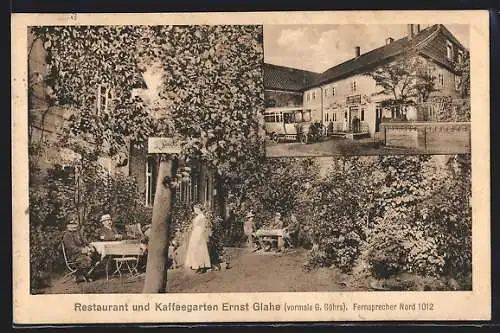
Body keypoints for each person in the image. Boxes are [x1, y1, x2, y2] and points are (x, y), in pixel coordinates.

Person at [183, 204, 211, 273]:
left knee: (200, 250)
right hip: (195, 233)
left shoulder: (202, 217)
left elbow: (202, 227)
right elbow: (193, 225)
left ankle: (202, 266)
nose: (194, 210)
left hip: (199, 234)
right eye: (194, 209)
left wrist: (200, 236)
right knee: (195, 249)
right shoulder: (198, 216)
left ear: (199, 209)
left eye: (195, 209)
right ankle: (197, 265)